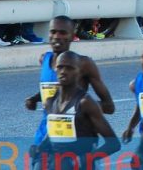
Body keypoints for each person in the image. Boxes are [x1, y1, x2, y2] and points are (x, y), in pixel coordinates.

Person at [24, 16, 115, 162]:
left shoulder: (84, 64)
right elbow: (54, 91)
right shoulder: (44, 59)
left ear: (72, 36)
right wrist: (34, 98)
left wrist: (77, 108)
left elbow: (109, 107)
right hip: (46, 136)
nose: (56, 37)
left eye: (62, 32)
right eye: (53, 32)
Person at [36, 51, 121, 169]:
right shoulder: (50, 102)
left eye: (69, 68)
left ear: (78, 72)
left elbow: (114, 144)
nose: (63, 71)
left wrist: (87, 159)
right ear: (55, 69)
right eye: (60, 67)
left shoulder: (85, 103)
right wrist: (40, 148)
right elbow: (53, 132)